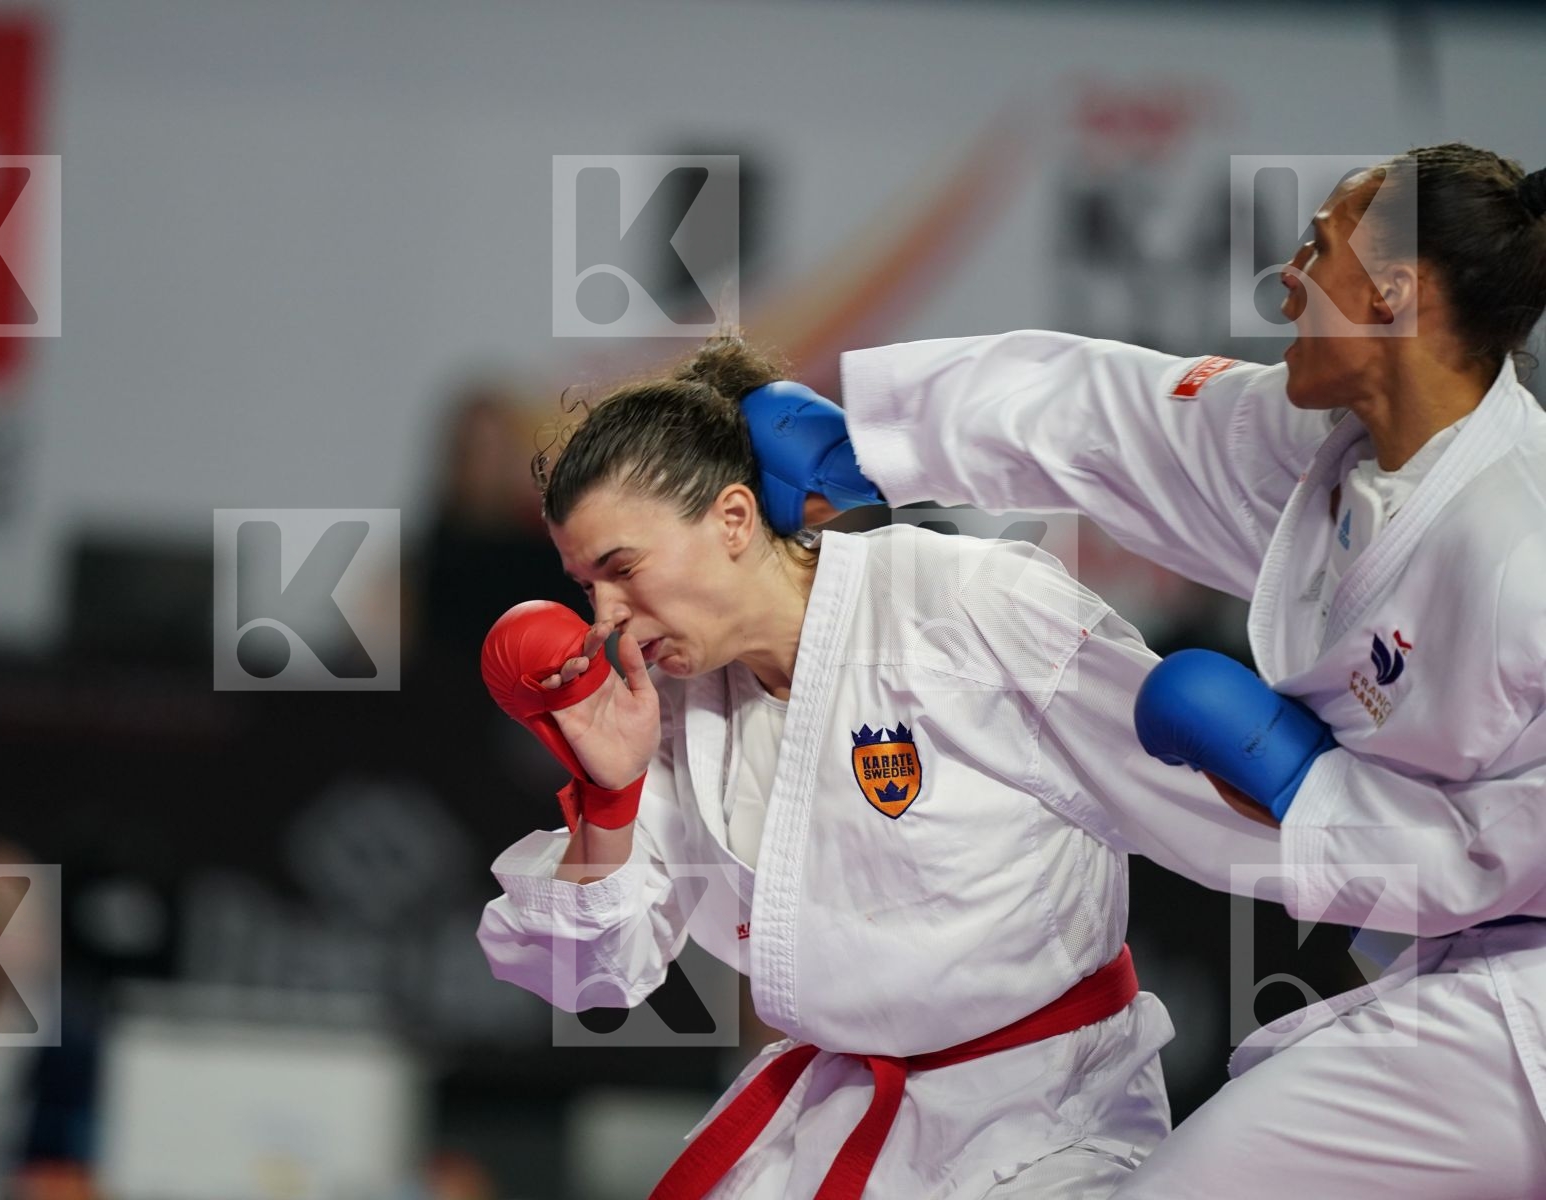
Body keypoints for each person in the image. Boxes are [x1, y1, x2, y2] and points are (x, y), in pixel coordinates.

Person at [779, 143, 1546, 1196]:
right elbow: (1123, 417)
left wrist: (1304, 786)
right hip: (1469, 982)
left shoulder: (1521, 548)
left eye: (1316, 248)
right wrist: (877, 442)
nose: (1288, 277)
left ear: (1391, 295)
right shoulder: (1336, 442)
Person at [475, 337, 1281, 1199]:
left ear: (735, 518)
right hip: (828, 1131)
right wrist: (611, 793)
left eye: (621, 570)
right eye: (584, 585)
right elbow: (589, 976)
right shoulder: (669, 706)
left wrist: (1395, 859)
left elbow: (1207, 796)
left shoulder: (963, 606)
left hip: (1042, 1126)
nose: (605, 616)